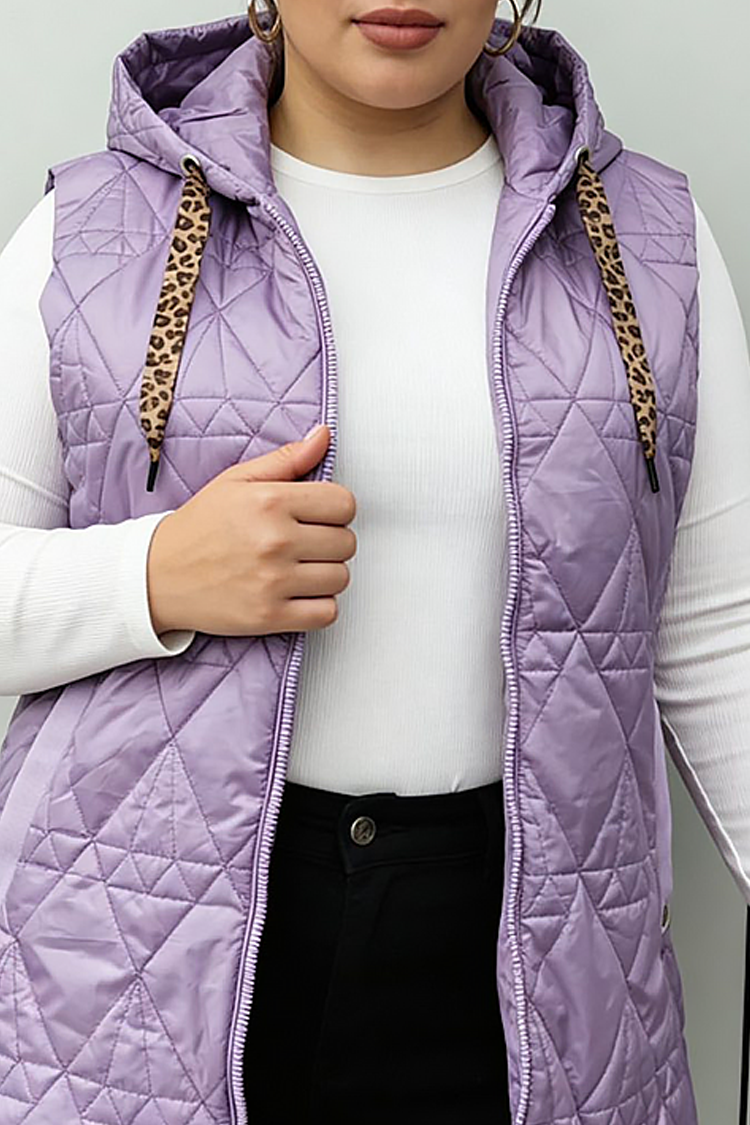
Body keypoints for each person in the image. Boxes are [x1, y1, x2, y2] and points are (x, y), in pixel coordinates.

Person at [0, 1, 748, 1122]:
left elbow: (716, 632)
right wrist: (151, 576)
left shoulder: (646, 236)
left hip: (534, 965)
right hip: (142, 970)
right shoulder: (97, 229)